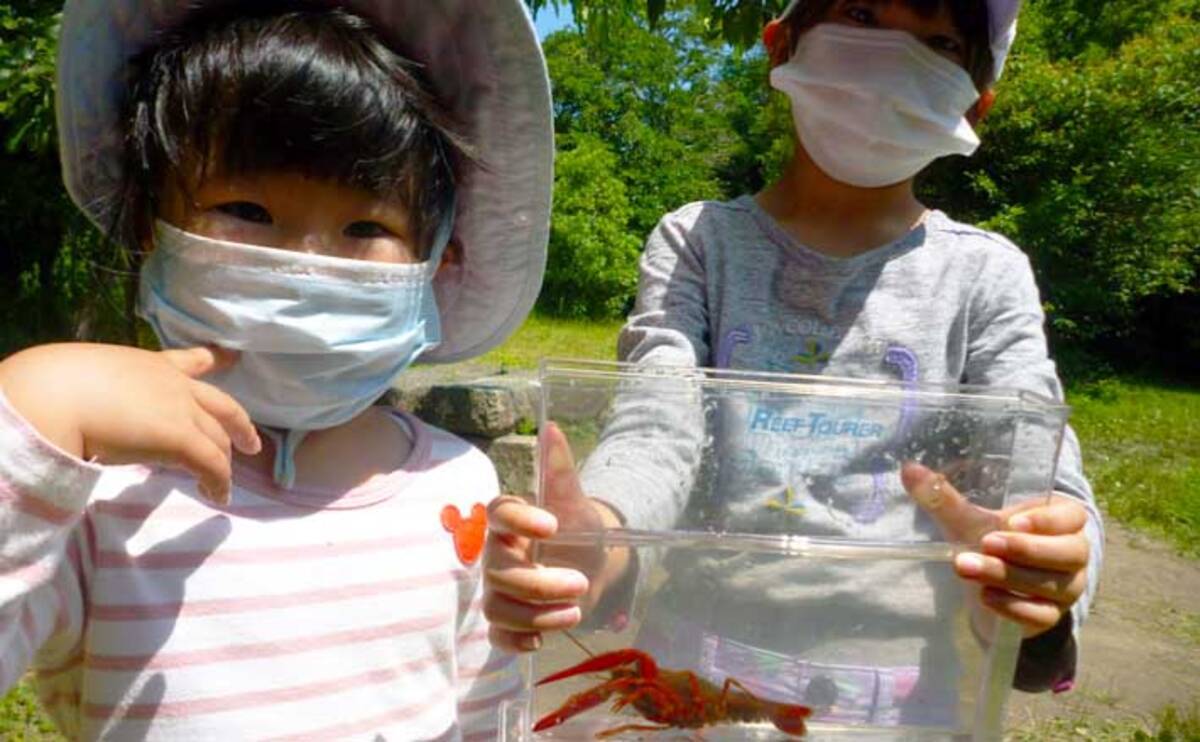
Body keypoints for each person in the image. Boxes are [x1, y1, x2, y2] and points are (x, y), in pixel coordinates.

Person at [484, 0, 1103, 723]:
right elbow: (659, 427)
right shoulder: (698, 243)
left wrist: (1040, 566)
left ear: (976, 102)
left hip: (901, 709)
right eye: (862, 14)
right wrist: (602, 534)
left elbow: (1040, 471)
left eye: (938, 41)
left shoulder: (986, 276)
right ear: (781, 46)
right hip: (683, 681)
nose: (892, 59)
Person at [0, 0, 552, 738]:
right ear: (147, 224)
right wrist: (29, 413)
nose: (306, 264)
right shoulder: (95, 490)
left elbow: (484, 715)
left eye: (367, 227)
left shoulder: (458, 489)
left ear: (437, 255)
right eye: (247, 210)